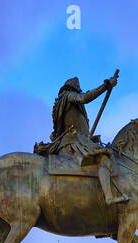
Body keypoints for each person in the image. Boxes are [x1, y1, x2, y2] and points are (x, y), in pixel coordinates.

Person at [33, 72, 124, 204]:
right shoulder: (68, 96)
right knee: (103, 159)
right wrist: (106, 85)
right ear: (73, 89)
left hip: (79, 140)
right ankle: (109, 197)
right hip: (73, 142)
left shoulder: (65, 103)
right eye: (78, 91)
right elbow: (84, 98)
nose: (79, 93)